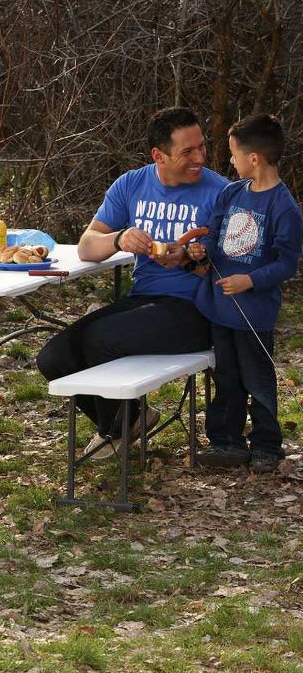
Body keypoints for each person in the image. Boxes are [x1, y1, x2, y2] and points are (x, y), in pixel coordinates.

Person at [36, 107, 228, 458]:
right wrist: (119, 238)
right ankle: (132, 419)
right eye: (187, 151)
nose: (200, 157)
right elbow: (87, 247)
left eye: (201, 147)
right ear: (159, 155)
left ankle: (118, 429)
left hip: (197, 309)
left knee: (100, 339)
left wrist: (187, 259)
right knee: (53, 358)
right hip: (144, 299)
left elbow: (231, 267)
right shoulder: (131, 184)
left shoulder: (221, 193)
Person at [186, 114, 302, 473]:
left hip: (254, 313)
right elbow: (212, 237)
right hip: (219, 308)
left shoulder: (284, 208)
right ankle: (226, 442)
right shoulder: (231, 193)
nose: (231, 161)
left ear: (254, 158)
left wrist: (249, 281)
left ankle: (267, 445)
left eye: (234, 154)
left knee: (258, 380)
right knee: (227, 378)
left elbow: (286, 263)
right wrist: (200, 252)